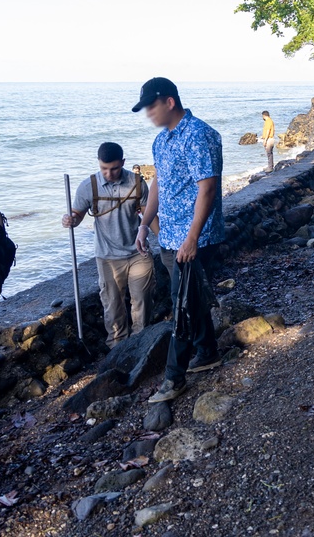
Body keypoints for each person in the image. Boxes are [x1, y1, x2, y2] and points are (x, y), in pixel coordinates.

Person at [132, 77, 226, 404]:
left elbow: (207, 188)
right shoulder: (162, 141)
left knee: (181, 304)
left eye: (151, 106)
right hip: (169, 236)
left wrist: (192, 238)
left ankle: (174, 379)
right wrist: (145, 224)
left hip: (194, 238)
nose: (148, 114)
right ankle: (208, 351)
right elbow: (157, 182)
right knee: (192, 297)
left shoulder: (199, 135)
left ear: (169, 101)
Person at [62, 142, 154, 349]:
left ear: (123, 162)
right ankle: (117, 347)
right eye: (104, 168)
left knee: (142, 301)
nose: (109, 173)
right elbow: (77, 215)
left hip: (138, 252)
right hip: (107, 255)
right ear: (98, 163)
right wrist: (70, 220)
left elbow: (148, 216)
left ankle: (143, 344)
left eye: (114, 168)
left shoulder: (138, 183)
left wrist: (164, 241)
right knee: (112, 306)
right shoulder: (88, 186)